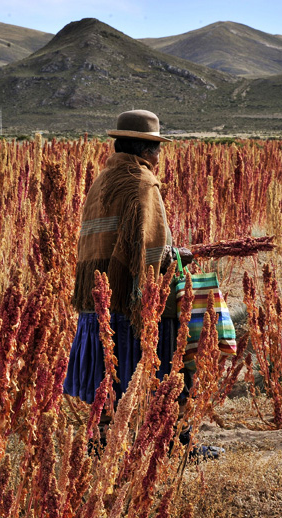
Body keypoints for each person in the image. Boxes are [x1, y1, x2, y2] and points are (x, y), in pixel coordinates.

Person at [64, 109, 193, 407]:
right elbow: (149, 251)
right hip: (129, 301)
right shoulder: (143, 182)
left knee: (105, 378)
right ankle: (172, 440)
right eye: (158, 149)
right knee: (141, 374)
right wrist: (176, 256)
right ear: (147, 151)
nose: (159, 157)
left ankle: (104, 436)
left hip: (97, 298)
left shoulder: (103, 180)